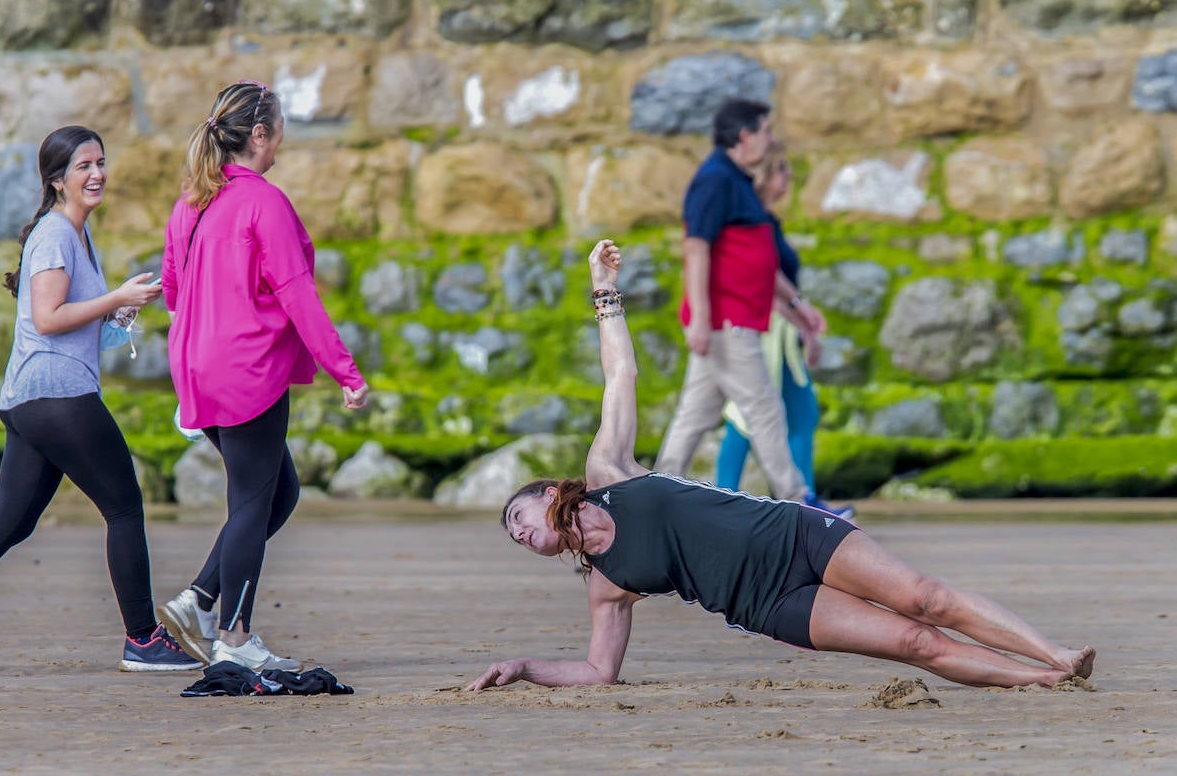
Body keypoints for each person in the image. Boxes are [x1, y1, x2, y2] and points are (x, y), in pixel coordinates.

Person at [467, 240, 1095, 693]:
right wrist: (525, 668)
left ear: (553, 492)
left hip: (795, 535)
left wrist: (604, 294)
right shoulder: (606, 585)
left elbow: (619, 374)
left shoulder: (609, 471)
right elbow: (599, 672)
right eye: (516, 537)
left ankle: (1057, 653)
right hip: (771, 605)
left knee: (925, 598)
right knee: (914, 643)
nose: (520, 534)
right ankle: (1043, 680)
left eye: (519, 517)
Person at [0, 125, 201, 678]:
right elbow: (48, 319)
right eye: (84, 166)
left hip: (31, 397)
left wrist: (119, 313)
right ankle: (143, 641)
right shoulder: (57, 234)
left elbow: (76, 328)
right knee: (125, 507)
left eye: (101, 163)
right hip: (58, 395)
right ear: (57, 181)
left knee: (11, 521)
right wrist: (115, 296)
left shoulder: (76, 237)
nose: (97, 174)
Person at [156, 80, 369, 673]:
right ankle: (234, 634)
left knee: (280, 491)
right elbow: (298, 295)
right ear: (258, 135)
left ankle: (200, 599)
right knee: (251, 501)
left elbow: (174, 290)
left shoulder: (190, 202)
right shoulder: (263, 202)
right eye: (277, 135)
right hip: (247, 369)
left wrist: (196, 348)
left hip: (198, 367)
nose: (279, 147)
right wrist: (345, 371)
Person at [654, 99, 830, 510]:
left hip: (737, 319)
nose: (773, 139)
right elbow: (696, 248)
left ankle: (650, 500)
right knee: (765, 408)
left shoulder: (736, 180)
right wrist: (699, 317)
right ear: (745, 136)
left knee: (694, 416)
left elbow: (757, 261)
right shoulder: (714, 180)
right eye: (767, 131)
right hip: (725, 321)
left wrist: (797, 304)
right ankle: (800, 500)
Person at [714, 141, 852, 518]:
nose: (789, 176)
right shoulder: (751, 221)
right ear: (764, 175)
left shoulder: (764, 220)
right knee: (747, 413)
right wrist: (803, 323)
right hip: (762, 326)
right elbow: (757, 282)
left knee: (801, 410)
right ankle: (721, 500)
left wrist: (802, 326)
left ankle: (804, 502)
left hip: (779, 330)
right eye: (782, 169)